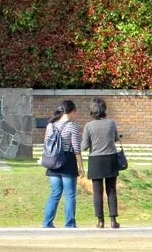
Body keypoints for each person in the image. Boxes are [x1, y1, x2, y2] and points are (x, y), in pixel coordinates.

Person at [42, 99, 86, 228]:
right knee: (70, 195)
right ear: (72, 111)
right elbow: (76, 148)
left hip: (53, 161)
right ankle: (69, 223)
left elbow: (46, 144)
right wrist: (81, 167)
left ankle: (47, 222)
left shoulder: (50, 125)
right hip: (68, 161)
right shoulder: (72, 126)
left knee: (55, 194)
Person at [82, 97, 120, 229]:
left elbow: (84, 146)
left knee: (97, 192)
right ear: (104, 109)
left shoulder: (88, 126)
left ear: (92, 110)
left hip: (96, 160)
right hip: (110, 158)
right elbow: (116, 138)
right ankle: (113, 220)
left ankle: (100, 221)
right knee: (111, 190)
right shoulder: (112, 123)